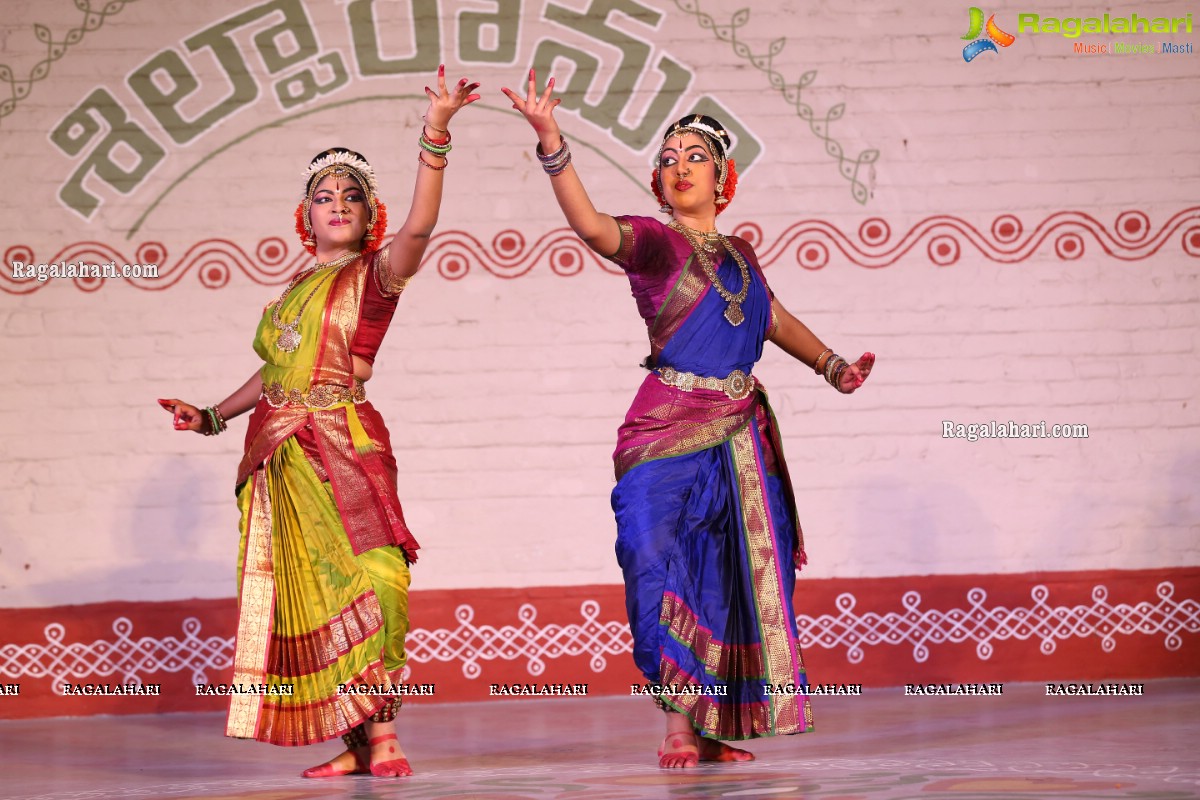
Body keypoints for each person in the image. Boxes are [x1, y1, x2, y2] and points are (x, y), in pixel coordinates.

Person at [502, 73, 875, 768]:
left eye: (693, 156)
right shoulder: (653, 242)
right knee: (654, 564)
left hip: (738, 430)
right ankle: (676, 724)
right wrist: (552, 143)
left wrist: (831, 365)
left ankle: (708, 729)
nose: (679, 166)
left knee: (726, 577)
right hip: (665, 429)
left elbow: (772, 318)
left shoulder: (741, 255)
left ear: (722, 177)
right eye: (668, 158)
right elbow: (589, 226)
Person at [159, 65, 479, 778]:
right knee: (314, 591)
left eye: (352, 197)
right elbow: (275, 377)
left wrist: (436, 133)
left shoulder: (375, 275)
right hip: (282, 454)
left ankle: (387, 732)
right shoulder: (290, 296)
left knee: (378, 581)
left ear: (372, 217)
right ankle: (355, 742)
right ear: (305, 217)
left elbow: (424, 224)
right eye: (323, 196)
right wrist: (211, 415)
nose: (337, 204)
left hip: (346, 445)